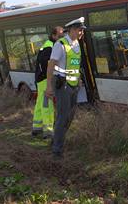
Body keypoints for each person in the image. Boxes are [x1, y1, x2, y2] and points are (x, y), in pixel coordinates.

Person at [45, 17, 86, 159]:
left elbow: (75, 63)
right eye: (80, 30)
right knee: (63, 117)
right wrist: (48, 86)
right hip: (62, 84)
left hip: (74, 84)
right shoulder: (60, 44)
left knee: (69, 116)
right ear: (73, 30)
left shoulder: (77, 44)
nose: (82, 33)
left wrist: (79, 78)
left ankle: (56, 140)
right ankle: (57, 151)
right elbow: (51, 65)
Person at [32, 26, 64, 138]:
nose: (62, 38)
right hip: (46, 80)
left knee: (40, 103)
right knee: (47, 104)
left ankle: (37, 127)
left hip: (41, 79)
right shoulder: (50, 48)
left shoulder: (47, 45)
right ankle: (48, 130)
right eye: (60, 36)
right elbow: (48, 66)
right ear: (54, 35)